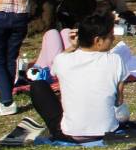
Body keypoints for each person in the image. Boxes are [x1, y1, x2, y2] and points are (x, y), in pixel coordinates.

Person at [27, 12, 127, 142]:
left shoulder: (63, 60)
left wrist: (72, 47)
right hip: (109, 130)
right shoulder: (115, 60)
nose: (113, 39)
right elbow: (118, 101)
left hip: (72, 133)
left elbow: (53, 70)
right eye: (110, 36)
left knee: (38, 86)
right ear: (98, 40)